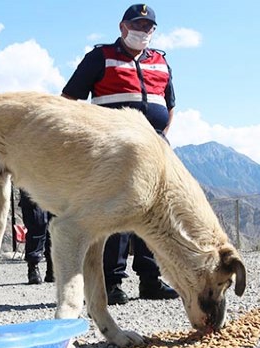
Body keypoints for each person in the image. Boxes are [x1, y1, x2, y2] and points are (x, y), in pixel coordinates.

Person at [61, 4, 179, 305]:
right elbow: (68, 100)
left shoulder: (161, 62)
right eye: (137, 26)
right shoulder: (99, 57)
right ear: (123, 27)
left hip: (154, 150)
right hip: (113, 151)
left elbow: (170, 104)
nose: (143, 32)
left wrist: (164, 136)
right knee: (116, 213)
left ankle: (150, 280)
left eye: (148, 27)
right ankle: (111, 284)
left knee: (153, 214)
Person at [18, 189, 54, 284]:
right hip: (32, 180)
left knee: (55, 224)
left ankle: (53, 268)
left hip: (55, 181)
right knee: (37, 221)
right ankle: (33, 267)